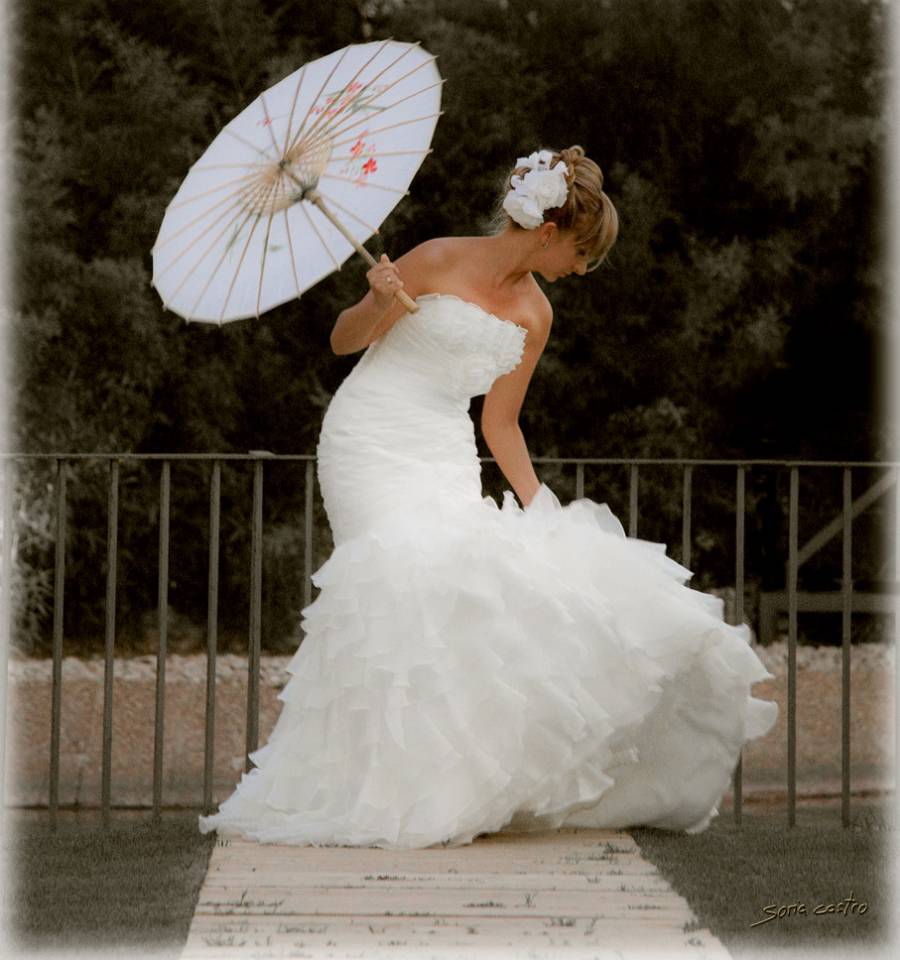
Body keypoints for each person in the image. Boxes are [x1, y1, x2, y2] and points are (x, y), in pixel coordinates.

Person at [198, 146, 778, 849]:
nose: (582, 269)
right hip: (369, 437)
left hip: (443, 449)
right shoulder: (437, 257)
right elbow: (343, 342)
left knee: (455, 595)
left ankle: (431, 785)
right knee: (390, 583)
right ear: (548, 231)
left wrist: (542, 508)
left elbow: (500, 423)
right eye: (582, 253)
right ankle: (372, 786)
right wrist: (377, 300)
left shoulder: (536, 313)